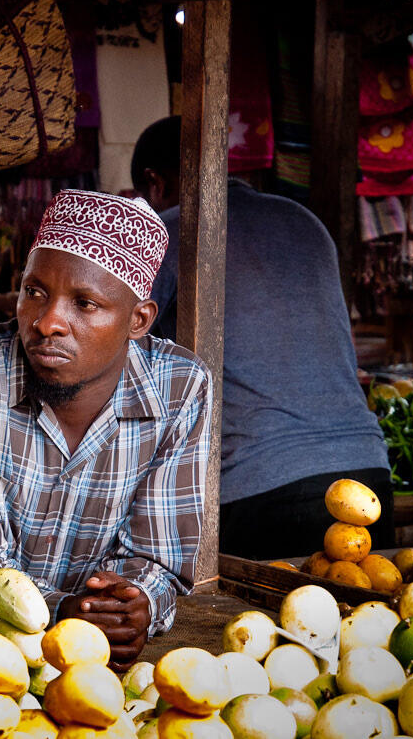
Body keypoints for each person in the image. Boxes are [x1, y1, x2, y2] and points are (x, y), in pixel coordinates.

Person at [0, 189, 212, 668]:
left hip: (107, 664)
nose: (47, 322)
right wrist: (62, 613)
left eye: (85, 303)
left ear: (138, 320)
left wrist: (133, 604)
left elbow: (157, 556)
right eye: (35, 292)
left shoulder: (180, 388)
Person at [131, 116, 392, 560]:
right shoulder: (304, 220)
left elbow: (117, 347)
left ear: (155, 183)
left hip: (261, 488)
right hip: (368, 477)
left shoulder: (170, 230)